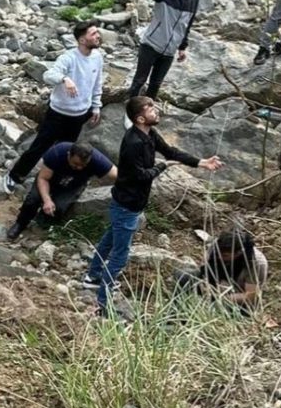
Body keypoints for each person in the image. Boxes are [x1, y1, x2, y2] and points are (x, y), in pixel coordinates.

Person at [82, 96, 224, 314]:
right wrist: (162, 167)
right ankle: (102, 303)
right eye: (150, 109)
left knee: (111, 238)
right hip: (127, 205)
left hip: (130, 203)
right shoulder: (133, 143)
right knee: (119, 255)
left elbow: (171, 151)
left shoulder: (149, 134)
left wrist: (202, 162)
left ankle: (93, 276)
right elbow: (140, 175)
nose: (155, 111)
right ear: (140, 118)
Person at [3, 22, 103, 194]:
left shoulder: (97, 57)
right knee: (38, 147)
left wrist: (96, 106)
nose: (98, 36)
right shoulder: (69, 57)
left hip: (79, 115)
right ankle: (14, 176)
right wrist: (65, 79)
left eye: (97, 32)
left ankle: (55, 182)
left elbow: (97, 83)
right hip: (58, 113)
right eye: (93, 33)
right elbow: (48, 75)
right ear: (81, 39)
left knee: (68, 151)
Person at [126, 0, 201, 106]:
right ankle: (131, 111)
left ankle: (147, 112)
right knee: (139, 80)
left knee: (155, 84)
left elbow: (187, 24)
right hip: (151, 45)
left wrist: (182, 47)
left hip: (170, 51)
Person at [5, 142, 117, 240]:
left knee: (59, 207)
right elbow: (43, 178)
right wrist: (47, 200)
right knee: (33, 199)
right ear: (69, 154)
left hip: (74, 184)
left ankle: (42, 224)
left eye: (83, 165)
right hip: (50, 179)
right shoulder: (57, 152)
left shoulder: (97, 160)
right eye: (76, 164)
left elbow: (116, 174)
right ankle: (21, 223)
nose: (79, 168)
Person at [199, 229, 268, 311]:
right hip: (217, 284)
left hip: (236, 297)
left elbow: (250, 297)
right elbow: (205, 269)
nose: (220, 257)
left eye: (225, 255)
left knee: (216, 308)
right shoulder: (216, 247)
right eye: (218, 254)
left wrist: (220, 298)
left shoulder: (257, 263)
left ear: (239, 252)